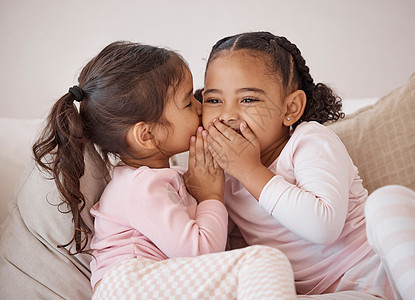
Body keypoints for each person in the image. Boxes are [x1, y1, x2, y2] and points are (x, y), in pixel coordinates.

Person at [32, 41, 297, 299]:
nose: (201, 108)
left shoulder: (169, 179)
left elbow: (210, 244)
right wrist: (210, 197)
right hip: (128, 286)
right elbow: (202, 252)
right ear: (147, 135)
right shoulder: (140, 187)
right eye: (188, 102)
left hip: (156, 281)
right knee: (265, 261)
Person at [198, 31, 415, 299]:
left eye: (248, 99)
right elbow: (219, 250)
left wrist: (249, 171)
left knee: (388, 202)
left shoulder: (308, 141)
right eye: (213, 100)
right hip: (340, 292)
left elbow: (323, 226)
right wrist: (206, 192)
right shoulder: (221, 175)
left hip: (386, 262)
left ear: (290, 108)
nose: (226, 115)